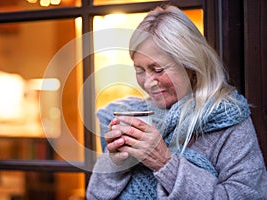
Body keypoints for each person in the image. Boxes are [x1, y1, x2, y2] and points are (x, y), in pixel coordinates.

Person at [86, 3, 267, 200]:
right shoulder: (134, 114)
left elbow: (249, 196)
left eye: (157, 70)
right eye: (140, 70)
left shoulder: (228, 119)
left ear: (190, 65)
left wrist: (164, 162)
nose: (148, 83)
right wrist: (115, 163)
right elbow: (96, 195)